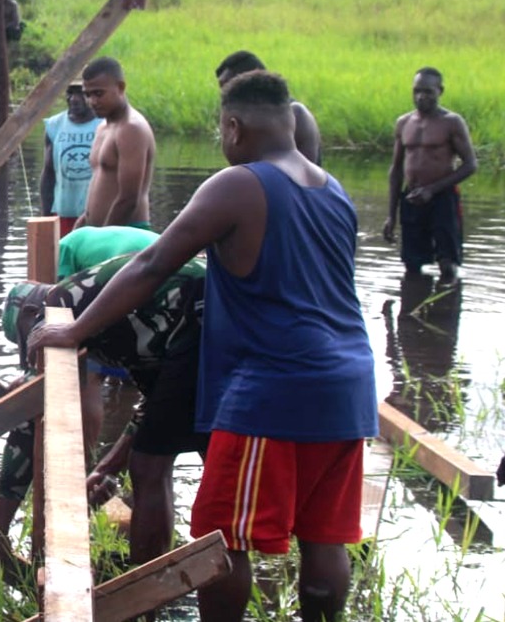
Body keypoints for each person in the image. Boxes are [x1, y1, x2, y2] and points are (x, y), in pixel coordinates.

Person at [30, 71, 378, 622]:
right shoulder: (332, 190)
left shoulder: (238, 184)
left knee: (222, 538)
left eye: (222, 129)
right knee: (323, 538)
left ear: (234, 127)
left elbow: (152, 262)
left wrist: (75, 329)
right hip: (349, 387)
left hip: (273, 390)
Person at [0, 253, 209, 574]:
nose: (37, 352)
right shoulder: (111, 326)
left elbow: (25, 420)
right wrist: (108, 467)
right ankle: (213, 564)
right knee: (183, 453)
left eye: (30, 337)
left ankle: (148, 590)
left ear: (34, 313)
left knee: (148, 465)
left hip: (201, 310)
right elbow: (154, 401)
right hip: (208, 315)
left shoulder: (61, 304)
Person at [383, 67, 477, 283]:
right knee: (412, 264)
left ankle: (446, 312)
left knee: (448, 264)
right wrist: (391, 215)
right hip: (413, 198)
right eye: (416, 91)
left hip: (442, 198)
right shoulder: (404, 123)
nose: (421, 97)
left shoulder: (451, 122)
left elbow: (470, 165)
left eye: (427, 91)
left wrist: (432, 190)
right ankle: (412, 312)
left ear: (440, 91)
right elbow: (396, 169)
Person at [75, 57, 155, 229]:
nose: (92, 102)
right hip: (100, 232)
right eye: (87, 95)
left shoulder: (131, 128)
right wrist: (80, 228)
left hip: (126, 234)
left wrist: (101, 239)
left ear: (120, 88)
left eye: (98, 93)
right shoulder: (102, 127)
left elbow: (128, 198)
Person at [215, 50, 321, 164]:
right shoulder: (251, 117)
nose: (223, 95)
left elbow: (304, 176)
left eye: (227, 86)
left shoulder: (295, 114)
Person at [40, 81, 100, 237]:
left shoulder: (105, 125)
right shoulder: (54, 125)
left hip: (97, 217)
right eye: (70, 93)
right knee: (61, 259)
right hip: (62, 213)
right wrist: (46, 217)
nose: (74, 99)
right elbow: (48, 173)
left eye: (80, 93)